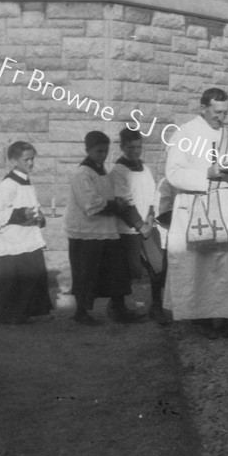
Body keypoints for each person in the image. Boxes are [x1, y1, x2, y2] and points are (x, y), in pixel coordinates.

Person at [163, 88, 228, 340]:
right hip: (195, 206)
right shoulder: (184, 134)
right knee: (200, 266)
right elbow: (173, 174)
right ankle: (203, 318)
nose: (222, 118)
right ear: (203, 108)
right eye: (217, 112)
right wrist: (205, 173)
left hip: (226, 206)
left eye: (225, 113)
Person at [65, 130, 143, 326]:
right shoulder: (81, 173)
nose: (103, 155)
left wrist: (116, 202)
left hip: (108, 229)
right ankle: (81, 312)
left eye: (106, 151)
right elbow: (90, 204)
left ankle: (118, 308)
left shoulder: (104, 172)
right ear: (88, 149)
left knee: (117, 271)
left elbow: (106, 196)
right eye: (99, 151)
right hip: (86, 232)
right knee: (86, 273)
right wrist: (115, 205)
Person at [110, 128, 170, 325]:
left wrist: (151, 217)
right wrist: (138, 224)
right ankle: (117, 307)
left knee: (157, 265)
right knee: (127, 269)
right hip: (128, 228)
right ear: (122, 147)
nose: (136, 151)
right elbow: (123, 202)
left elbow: (152, 195)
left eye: (139, 147)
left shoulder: (145, 168)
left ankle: (156, 306)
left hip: (147, 225)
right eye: (131, 147)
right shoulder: (119, 171)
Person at [0, 141, 52, 324]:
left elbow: (32, 205)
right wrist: (19, 213)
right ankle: (8, 316)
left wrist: (39, 216)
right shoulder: (7, 185)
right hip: (11, 240)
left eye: (33, 159)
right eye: (27, 159)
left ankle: (24, 312)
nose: (31, 163)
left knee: (32, 277)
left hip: (27, 237)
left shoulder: (27, 182)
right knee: (12, 281)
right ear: (13, 161)